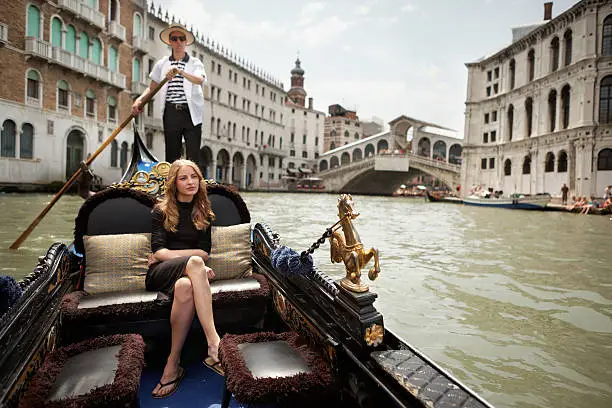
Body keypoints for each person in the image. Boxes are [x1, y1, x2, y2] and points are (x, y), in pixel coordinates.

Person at [146, 159, 221, 398]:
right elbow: (159, 251)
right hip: (159, 274)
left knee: (186, 286)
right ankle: (213, 343)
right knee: (196, 264)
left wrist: (189, 266)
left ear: (200, 180)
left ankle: (172, 364)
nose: (190, 182)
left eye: (194, 177)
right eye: (183, 178)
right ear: (174, 183)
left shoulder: (205, 213)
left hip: (183, 275)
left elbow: (204, 251)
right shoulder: (160, 211)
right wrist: (192, 263)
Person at [132, 23, 206, 166]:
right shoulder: (162, 64)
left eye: (181, 38)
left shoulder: (195, 63)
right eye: (174, 38)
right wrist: (139, 101)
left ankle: (195, 187)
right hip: (171, 112)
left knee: (193, 155)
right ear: (170, 42)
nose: (178, 42)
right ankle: (172, 186)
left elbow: (199, 80)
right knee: (172, 155)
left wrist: (180, 72)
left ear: (186, 41)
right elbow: (152, 88)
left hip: (191, 113)